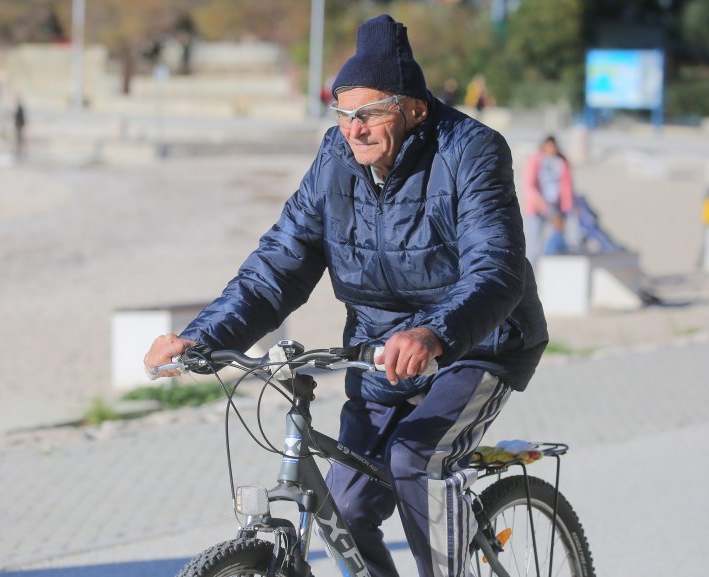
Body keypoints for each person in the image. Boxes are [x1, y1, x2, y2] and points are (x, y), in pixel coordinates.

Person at [144, 14, 547, 577]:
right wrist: (202, 336)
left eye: (369, 113)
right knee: (347, 508)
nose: (353, 128)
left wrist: (434, 333)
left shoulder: (472, 151)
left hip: (479, 341)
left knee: (415, 460)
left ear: (413, 107)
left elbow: (497, 269)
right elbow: (279, 265)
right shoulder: (335, 159)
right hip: (378, 352)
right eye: (343, 113)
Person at [522, 135, 575, 266]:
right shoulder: (536, 159)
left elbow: (567, 186)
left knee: (558, 242)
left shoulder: (561, 161)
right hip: (538, 207)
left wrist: (567, 208)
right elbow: (528, 185)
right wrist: (540, 203)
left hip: (556, 206)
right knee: (534, 245)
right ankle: (531, 275)